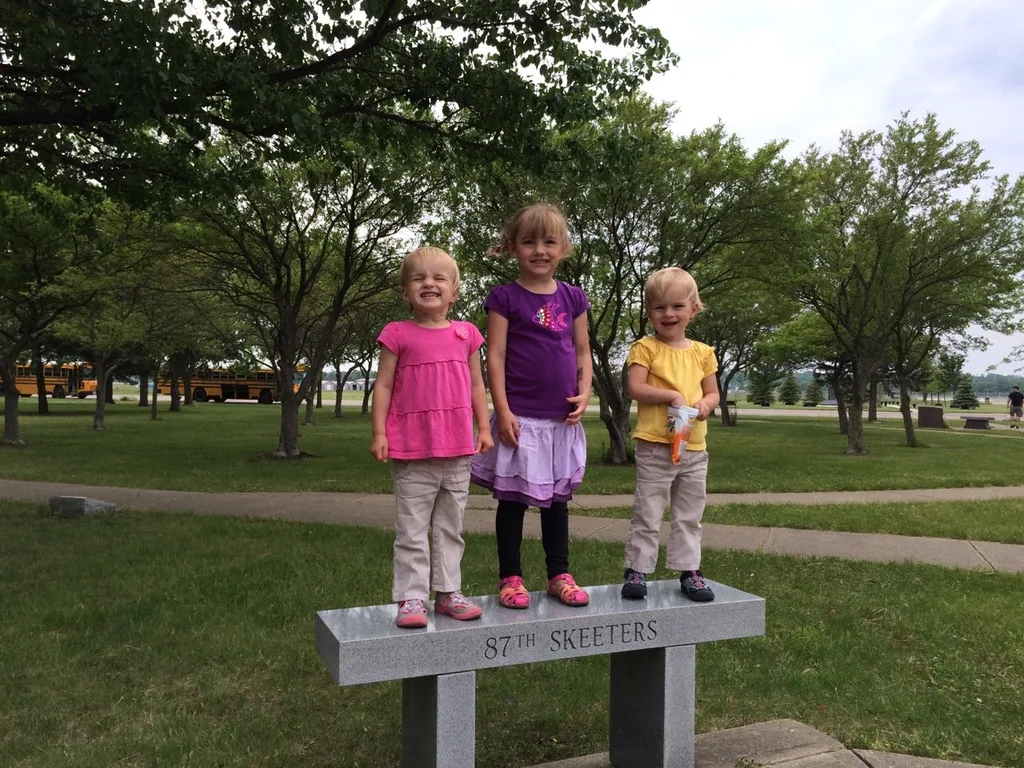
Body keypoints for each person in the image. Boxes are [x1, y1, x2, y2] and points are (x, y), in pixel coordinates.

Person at [470, 203, 593, 609]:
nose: (539, 250)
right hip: (519, 420)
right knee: (513, 502)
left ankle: (559, 574)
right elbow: (497, 357)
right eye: (529, 242)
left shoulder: (573, 298)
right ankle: (511, 578)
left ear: (563, 248)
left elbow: (581, 351)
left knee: (557, 504)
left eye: (549, 241)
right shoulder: (504, 298)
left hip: (561, 422)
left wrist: (586, 389)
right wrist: (501, 411)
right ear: (513, 247)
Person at [370, 246, 494, 628]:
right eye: (419, 278)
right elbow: (385, 386)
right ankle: (411, 598)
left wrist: (485, 427)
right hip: (412, 451)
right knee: (411, 528)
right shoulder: (397, 334)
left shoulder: (467, 334)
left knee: (450, 527)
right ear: (406, 293)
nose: (429, 283)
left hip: (457, 450)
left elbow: (477, 385)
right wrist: (379, 432)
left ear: (454, 292)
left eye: (439, 278)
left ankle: (449, 592)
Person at [620, 267, 720, 602]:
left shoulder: (703, 352)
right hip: (655, 447)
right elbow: (635, 387)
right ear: (649, 311)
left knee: (689, 515)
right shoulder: (645, 348)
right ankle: (637, 569)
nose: (668, 314)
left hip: (694, 447)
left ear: (693, 308)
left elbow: (713, 393)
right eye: (659, 307)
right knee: (647, 512)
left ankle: (689, 569)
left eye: (677, 306)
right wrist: (672, 397)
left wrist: (704, 405)